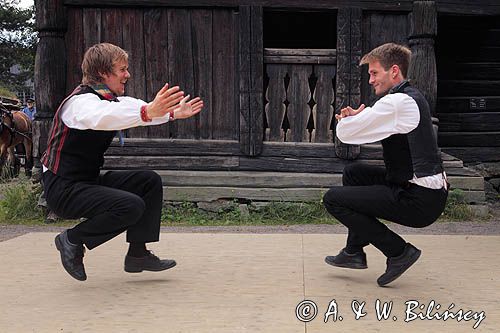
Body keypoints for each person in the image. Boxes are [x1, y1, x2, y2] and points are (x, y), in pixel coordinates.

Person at [42, 43, 203, 281]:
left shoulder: (111, 100)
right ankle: (73, 239)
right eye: (122, 69)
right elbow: (101, 117)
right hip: (63, 188)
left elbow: (137, 109)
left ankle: (138, 254)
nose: (127, 75)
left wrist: (171, 114)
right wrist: (148, 112)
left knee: (147, 182)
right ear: (103, 73)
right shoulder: (80, 104)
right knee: (131, 205)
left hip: (87, 183)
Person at [323, 43, 448, 286]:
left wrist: (348, 121)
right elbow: (365, 126)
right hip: (423, 190)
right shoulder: (406, 98)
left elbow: (347, 135)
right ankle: (353, 252)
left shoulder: (398, 102)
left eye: (374, 73)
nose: (370, 80)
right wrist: (358, 120)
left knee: (333, 199)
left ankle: (398, 252)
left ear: (393, 71)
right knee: (354, 173)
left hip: (420, 200)